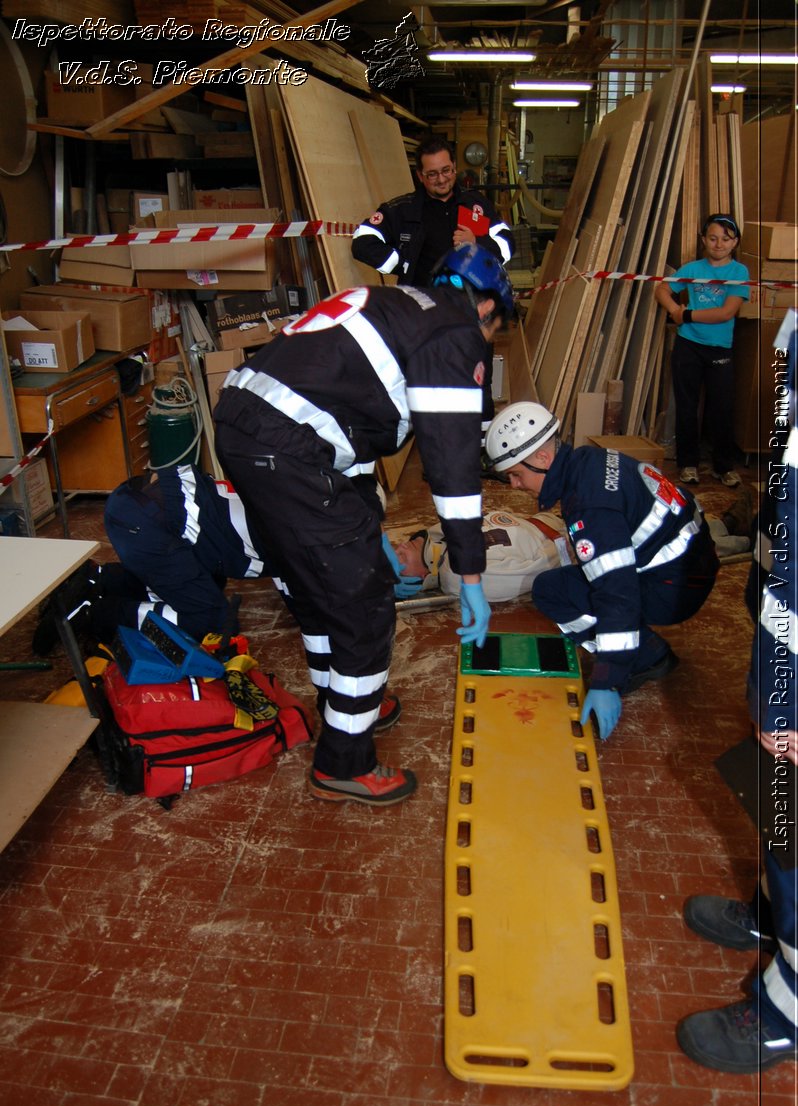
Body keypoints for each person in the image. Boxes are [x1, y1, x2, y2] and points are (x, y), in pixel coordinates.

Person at [212, 244, 515, 807]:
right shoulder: (453, 331)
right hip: (288, 448)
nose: (488, 345)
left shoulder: (396, 303)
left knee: (317, 583)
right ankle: (344, 762)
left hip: (244, 423)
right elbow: (451, 469)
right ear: (487, 308)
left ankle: (347, 708)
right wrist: (470, 575)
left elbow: (347, 411)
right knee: (362, 602)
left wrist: (362, 514)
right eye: (496, 331)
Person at [676, 312, 797, 1073]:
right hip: (783, 627)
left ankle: (787, 1010)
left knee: (795, 813)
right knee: (774, 797)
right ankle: (769, 911)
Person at [484, 401, 720, 740]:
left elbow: (617, 593)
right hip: (691, 566)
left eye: (516, 475)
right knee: (579, 579)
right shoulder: (589, 460)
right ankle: (643, 647)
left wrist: (607, 680)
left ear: (541, 458)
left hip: (675, 588)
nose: (514, 486)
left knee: (553, 592)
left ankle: (643, 656)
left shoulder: (590, 504)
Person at [351, 135, 515, 427]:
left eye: (446, 170)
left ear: (454, 166)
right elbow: (363, 240)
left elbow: (507, 242)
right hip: (424, 314)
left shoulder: (477, 206)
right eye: (432, 174)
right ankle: (440, 455)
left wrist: (477, 243)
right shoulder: (403, 210)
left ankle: (481, 453)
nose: (441, 179)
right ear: (420, 175)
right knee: (432, 385)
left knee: (479, 380)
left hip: (472, 311)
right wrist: (400, 261)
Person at [32, 463, 271, 656]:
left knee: (208, 588)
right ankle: (99, 614)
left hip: (144, 502)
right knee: (213, 623)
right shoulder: (300, 538)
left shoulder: (292, 500)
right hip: (147, 522)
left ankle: (99, 580)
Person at [654, 213, 750, 489]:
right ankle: (688, 464)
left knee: (721, 408)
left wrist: (687, 315)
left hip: (719, 348)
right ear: (703, 240)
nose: (718, 244)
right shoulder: (693, 268)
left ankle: (723, 466)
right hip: (688, 346)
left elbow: (726, 312)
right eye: (712, 238)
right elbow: (662, 289)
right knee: (686, 407)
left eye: (725, 239)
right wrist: (674, 310)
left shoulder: (739, 273)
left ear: (735, 243)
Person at [389, 509, 568, 602]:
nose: (401, 546)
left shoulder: (439, 534)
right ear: (420, 577)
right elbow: (536, 570)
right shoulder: (456, 573)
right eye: (401, 557)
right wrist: (566, 543)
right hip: (569, 540)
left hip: (554, 519)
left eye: (393, 548)